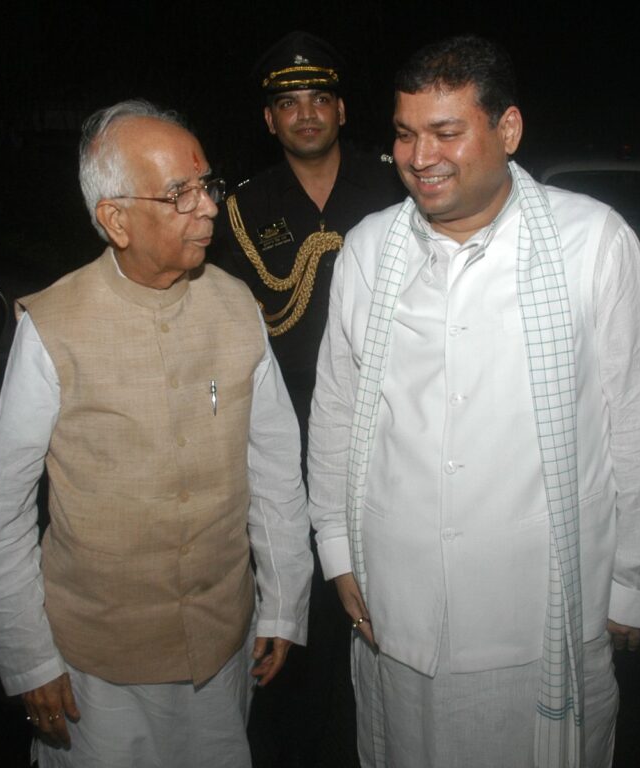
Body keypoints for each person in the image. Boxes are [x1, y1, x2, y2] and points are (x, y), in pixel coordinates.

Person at [307, 35, 640, 768]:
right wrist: (339, 549)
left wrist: (637, 580)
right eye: (407, 134)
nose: (421, 156)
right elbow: (338, 409)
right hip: (395, 600)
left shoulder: (592, 242)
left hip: (538, 609)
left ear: (507, 130)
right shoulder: (369, 249)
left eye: (447, 132)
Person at [0, 99, 312, 768]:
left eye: (206, 185)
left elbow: (275, 470)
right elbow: (1, 516)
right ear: (116, 219)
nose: (208, 207)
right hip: (95, 674)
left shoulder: (238, 307)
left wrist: (283, 605)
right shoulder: (54, 325)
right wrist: (27, 658)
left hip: (222, 650)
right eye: (179, 194)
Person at [211, 30, 403, 767]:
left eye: (320, 98)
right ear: (269, 121)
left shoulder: (394, 185)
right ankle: (297, 733)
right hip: (284, 418)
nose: (306, 114)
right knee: (295, 575)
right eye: (288, 103)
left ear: (343, 110)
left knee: (381, 569)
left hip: (387, 413)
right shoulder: (243, 207)